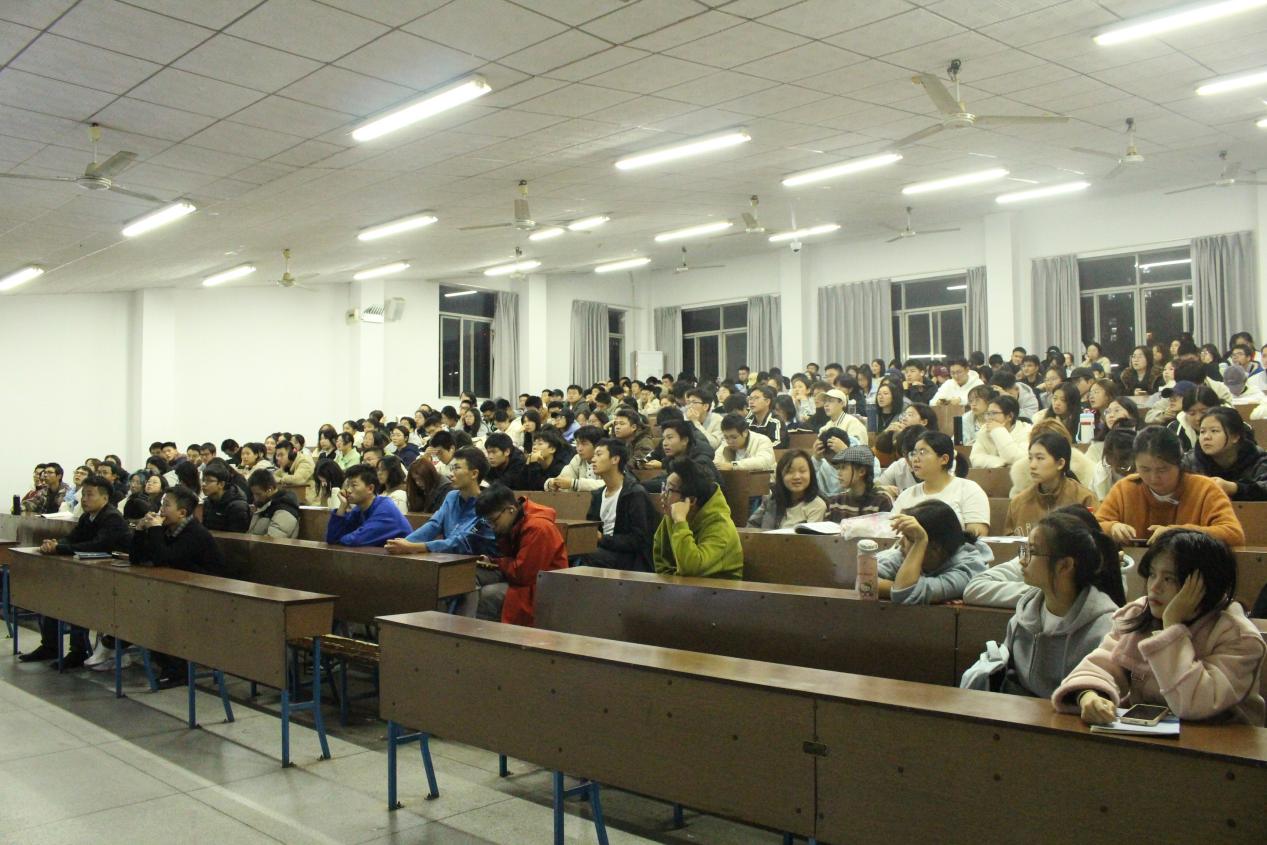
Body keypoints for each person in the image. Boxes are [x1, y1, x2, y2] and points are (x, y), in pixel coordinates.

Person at [1052, 529, 1265, 725]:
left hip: (1219, 745)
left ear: (1203, 585)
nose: (1154, 587)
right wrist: (1088, 695)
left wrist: (1172, 628)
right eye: (1152, 574)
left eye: (1169, 578)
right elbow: (1102, 664)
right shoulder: (1138, 614)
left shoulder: (1238, 636)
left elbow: (1193, 703)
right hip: (1148, 738)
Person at [965, 510, 1127, 697]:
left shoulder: (1105, 627)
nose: (1022, 561)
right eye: (1024, 550)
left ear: (1065, 565)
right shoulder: (1025, 613)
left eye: (1032, 552)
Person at [19, 476, 130, 668]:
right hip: (90, 573)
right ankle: (50, 646)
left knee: (77, 602)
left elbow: (97, 545)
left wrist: (60, 548)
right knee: (53, 596)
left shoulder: (112, 518)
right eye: (83, 495)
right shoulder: (87, 517)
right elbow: (73, 538)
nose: (84, 499)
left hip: (113, 578)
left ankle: (78, 651)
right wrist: (54, 544)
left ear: (104, 498)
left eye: (90, 495)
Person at [1096, 426, 1244, 547]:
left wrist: (1179, 533)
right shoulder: (1125, 488)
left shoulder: (1205, 489)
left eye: (1163, 470)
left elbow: (1234, 534)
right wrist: (1112, 528)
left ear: (1179, 463)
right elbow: (1095, 526)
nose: (1153, 478)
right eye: (1144, 469)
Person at [468, 484, 569, 625]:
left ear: (510, 509)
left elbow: (523, 574)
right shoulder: (514, 521)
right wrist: (492, 561)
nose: (492, 527)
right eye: (488, 522)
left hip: (539, 587)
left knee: (489, 594)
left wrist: (498, 562)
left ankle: (482, 634)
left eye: (493, 520)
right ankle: (463, 624)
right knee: (468, 575)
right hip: (518, 575)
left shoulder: (538, 528)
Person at [877, 500, 992, 604]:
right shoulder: (905, 553)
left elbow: (903, 595)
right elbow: (867, 579)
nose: (901, 543)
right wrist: (902, 586)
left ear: (936, 547)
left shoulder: (968, 570)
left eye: (909, 538)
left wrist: (920, 540)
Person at [387, 448, 497, 557]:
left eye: (457, 468)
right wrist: (403, 544)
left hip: (477, 562)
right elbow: (434, 525)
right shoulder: (452, 497)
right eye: (452, 468)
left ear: (474, 474)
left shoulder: (489, 505)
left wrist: (413, 547)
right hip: (450, 560)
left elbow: (462, 543)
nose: (451, 474)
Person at [652, 457, 743, 579]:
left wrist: (680, 522)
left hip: (719, 588)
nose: (663, 495)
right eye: (664, 488)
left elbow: (692, 568)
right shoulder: (672, 515)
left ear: (691, 500)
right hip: (682, 587)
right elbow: (661, 559)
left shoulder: (720, 526)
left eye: (670, 490)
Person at [893, 431, 990, 536]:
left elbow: (976, 535)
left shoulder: (969, 489)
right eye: (914, 453)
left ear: (944, 459)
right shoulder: (906, 495)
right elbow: (890, 531)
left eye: (922, 452)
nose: (915, 459)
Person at [1005, 432, 1097, 535]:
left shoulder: (1084, 498)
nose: (1032, 465)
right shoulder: (1018, 503)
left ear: (1060, 463)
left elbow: (1095, 540)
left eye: (1040, 458)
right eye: (1030, 458)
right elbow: (1009, 541)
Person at [582, 438, 654, 571]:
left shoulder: (634, 493)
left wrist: (603, 539)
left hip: (631, 558)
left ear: (615, 459)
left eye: (599, 454)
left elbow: (639, 539)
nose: (593, 460)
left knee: (588, 556)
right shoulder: (598, 495)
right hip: (604, 552)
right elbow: (591, 528)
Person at [131, 484, 226, 575]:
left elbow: (162, 560)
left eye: (166, 505)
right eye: (162, 504)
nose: (161, 510)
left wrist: (156, 528)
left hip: (206, 582)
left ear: (182, 513)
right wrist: (140, 530)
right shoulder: (166, 527)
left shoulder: (196, 533)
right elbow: (137, 558)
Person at [1182, 406, 1267, 501]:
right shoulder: (1190, 461)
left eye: (1214, 431)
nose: (1206, 437)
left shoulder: (1257, 459)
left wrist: (1234, 488)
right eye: (1202, 431)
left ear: (1235, 436)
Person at [325, 464, 413, 546]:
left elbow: (355, 540)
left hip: (406, 556)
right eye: (347, 485)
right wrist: (342, 506)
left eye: (354, 485)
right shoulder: (359, 509)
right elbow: (332, 538)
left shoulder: (385, 510)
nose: (348, 490)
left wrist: (338, 539)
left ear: (370, 488)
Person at [750, 449, 828, 529]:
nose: (797, 477)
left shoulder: (817, 505)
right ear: (780, 476)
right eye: (790, 471)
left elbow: (810, 536)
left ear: (811, 474)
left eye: (802, 471)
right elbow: (751, 526)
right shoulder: (772, 500)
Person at [825, 445, 893, 520]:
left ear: (862, 471)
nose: (839, 473)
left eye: (843, 468)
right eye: (838, 468)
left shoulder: (881, 501)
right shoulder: (835, 503)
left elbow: (886, 526)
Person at [968, 394, 1031, 469]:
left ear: (1010, 416)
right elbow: (975, 459)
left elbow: (1017, 459)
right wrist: (1000, 463)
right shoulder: (984, 430)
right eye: (988, 414)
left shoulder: (1027, 431)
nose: (989, 418)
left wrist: (998, 431)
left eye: (994, 413)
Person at [246, 469, 301, 538]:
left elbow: (273, 540)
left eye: (258, 494)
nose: (255, 498)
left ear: (270, 489)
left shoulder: (284, 510)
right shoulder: (264, 505)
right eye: (253, 494)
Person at [200, 461, 250, 532]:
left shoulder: (238, 506)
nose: (203, 484)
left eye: (209, 481)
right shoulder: (208, 502)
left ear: (221, 484)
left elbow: (237, 536)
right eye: (203, 480)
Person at [1090, 426, 1136, 501]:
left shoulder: (1143, 468)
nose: (1126, 463)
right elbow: (1102, 503)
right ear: (1108, 456)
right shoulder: (1101, 473)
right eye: (1122, 459)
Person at [272, 439, 315, 503]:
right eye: (277, 455)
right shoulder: (287, 464)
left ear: (291, 454)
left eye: (281, 455)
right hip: (295, 499)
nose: (278, 458)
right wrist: (281, 479)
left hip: (310, 502)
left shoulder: (305, 461)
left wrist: (282, 479)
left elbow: (298, 480)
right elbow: (273, 476)